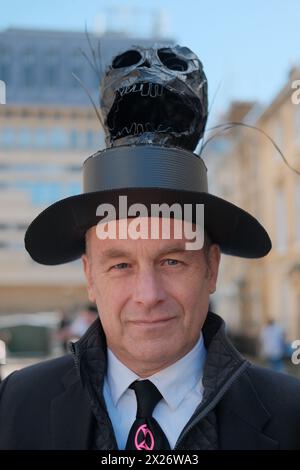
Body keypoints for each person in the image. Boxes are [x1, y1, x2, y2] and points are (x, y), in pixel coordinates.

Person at [0, 45, 300, 451]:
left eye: (173, 260)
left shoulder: (291, 416)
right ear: (89, 275)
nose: (148, 296)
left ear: (212, 269)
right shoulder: (16, 405)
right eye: (120, 264)